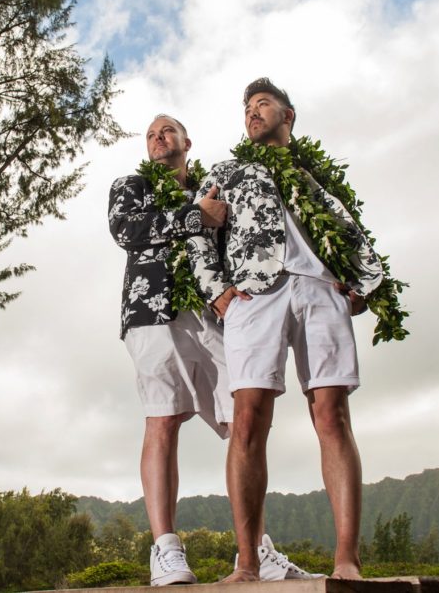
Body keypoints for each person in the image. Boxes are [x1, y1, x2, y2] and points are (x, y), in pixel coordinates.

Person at [186, 78, 383, 581]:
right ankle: (248, 564)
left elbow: (351, 230)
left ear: (288, 115)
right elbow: (198, 231)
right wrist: (217, 291)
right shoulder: (227, 171)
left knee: (332, 415)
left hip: (320, 289)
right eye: (247, 107)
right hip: (254, 294)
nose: (253, 113)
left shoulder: (316, 174)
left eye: (263, 104)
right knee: (248, 418)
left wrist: (362, 283)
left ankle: (346, 562)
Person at [109, 114, 318, 586]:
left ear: (187, 141)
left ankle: (257, 550)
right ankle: (165, 550)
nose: (158, 138)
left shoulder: (214, 185)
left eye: (167, 131)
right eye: (150, 134)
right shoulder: (131, 184)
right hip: (153, 312)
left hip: (216, 313)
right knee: (163, 418)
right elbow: (125, 229)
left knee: (244, 419)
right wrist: (192, 216)